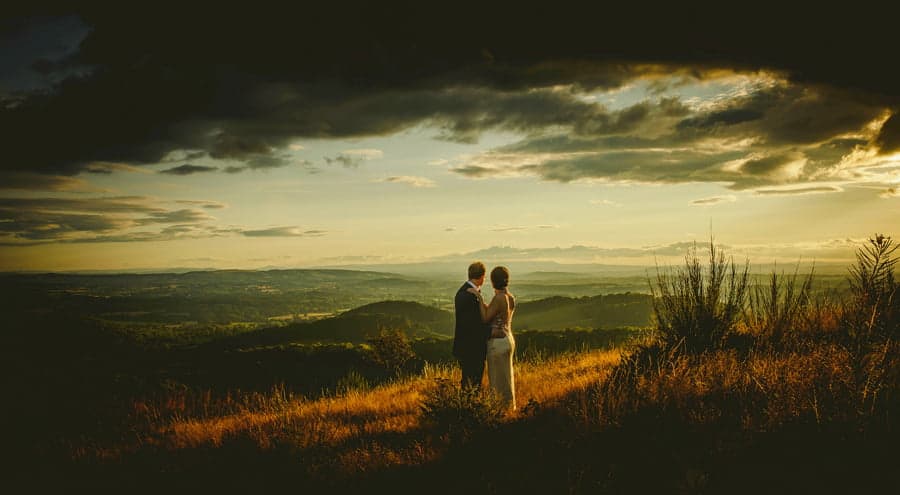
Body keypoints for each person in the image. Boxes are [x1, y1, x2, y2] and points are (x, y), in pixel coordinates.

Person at [468, 266, 516, 410]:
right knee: (507, 378)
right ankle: (509, 407)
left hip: (498, 343)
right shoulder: (510, 296)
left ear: (493, 281)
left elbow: (485, 318)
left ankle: (499, 409)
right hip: (508, 339)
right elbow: (498, 313)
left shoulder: (498, 298)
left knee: (497, 380)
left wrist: (479, 297)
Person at [452, 261, 491, 389]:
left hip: (467, 346)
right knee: (472, 382)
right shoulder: (469, 295)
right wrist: (491, 333)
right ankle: (469, 407)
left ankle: (467, 406)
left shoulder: (465, 292)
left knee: (470, 381)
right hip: (472, 347)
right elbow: (475, 325)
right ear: (482, 277)